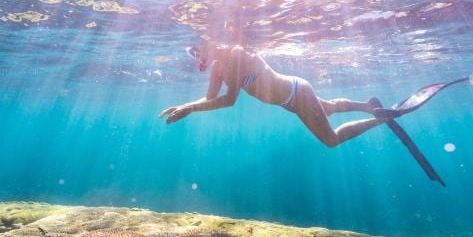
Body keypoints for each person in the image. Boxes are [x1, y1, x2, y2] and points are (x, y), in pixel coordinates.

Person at [158, 42, 387, 148]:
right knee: (328, 107)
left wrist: (191, 109)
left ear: (213, 43)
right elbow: (209, 99)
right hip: (289, 99)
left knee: (331, 140)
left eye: (198, 50)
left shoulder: (236, 54)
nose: (197, 56)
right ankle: (367, 105)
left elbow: (229, 100)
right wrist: (186, 105)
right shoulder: (218, 68)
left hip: (297, 93)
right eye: (193, 53)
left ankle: (380, 119)